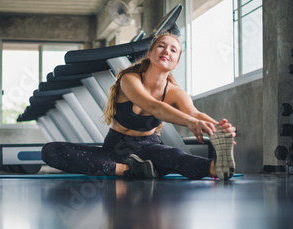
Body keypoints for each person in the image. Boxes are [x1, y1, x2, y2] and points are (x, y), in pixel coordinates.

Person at [41, 32, 236, 180]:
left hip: (148, 149)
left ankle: (216, 168)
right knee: (51, 151)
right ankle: (128, 170)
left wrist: (219, 128)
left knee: (175, 156)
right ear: (150, 53)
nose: (167, 51)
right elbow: (153, 106)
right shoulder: (130, 79)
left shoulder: (175, 93)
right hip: (113, 150)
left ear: (175, 63)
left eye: (173, 50)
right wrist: (192, 123)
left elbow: (194, 113)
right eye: (161, 46)